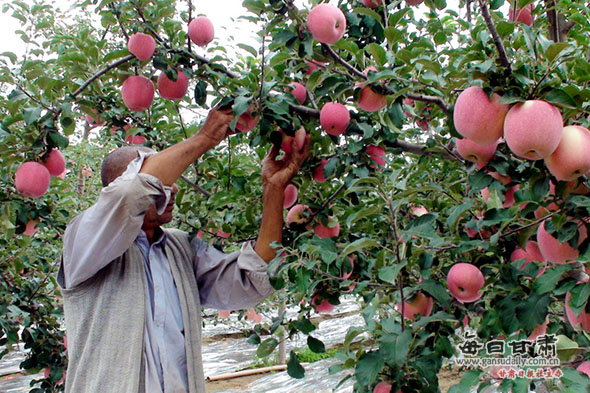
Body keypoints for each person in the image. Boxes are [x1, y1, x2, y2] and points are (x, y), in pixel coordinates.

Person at [57, 107, 310, 393]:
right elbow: (131, 194)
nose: (171, 188)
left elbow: (252, 280)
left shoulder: (180, 248)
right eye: (160, 183)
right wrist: (204, 138)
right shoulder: (84, 241)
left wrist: (274, 190)